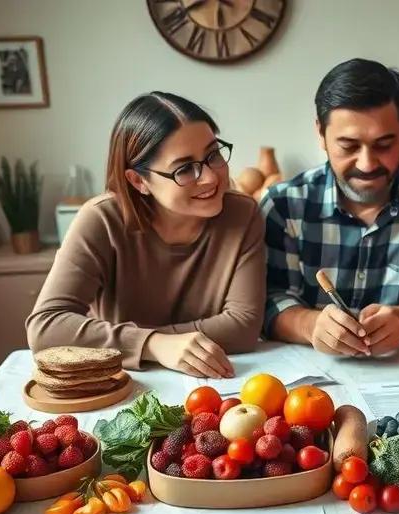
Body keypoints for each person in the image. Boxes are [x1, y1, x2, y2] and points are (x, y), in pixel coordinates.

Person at [27, 92, 264, 377]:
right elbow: (45, 328)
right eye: (184, 169)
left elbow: (243, 327)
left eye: (213, 155)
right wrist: (154, 345)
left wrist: (135, 341)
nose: (211, 177)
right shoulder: (101, 220)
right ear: (139, 180)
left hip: (215, 382)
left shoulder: (242, 214)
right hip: (122, 383)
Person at [261, 58, 399, 357]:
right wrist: (310, 325)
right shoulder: (283, 206)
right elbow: (268, 299)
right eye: (348, 146)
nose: (367, 164)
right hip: (307, 377)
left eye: (384, 145)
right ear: (320, 134)